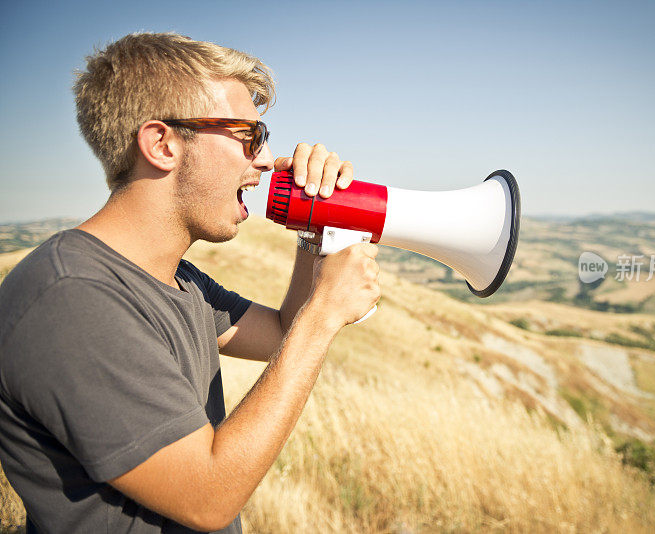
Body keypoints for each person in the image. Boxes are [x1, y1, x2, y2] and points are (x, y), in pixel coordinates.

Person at [0, 32, 380, 533]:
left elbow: (281, 332)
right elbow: (208, 498)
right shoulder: (72, 300)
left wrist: (314, 227)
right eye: (249, 135)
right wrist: (325, 313)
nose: (265, 160)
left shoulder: (173, 277)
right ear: (162, 144)